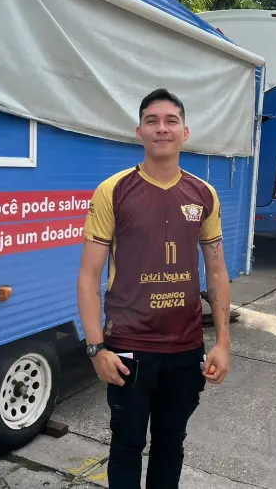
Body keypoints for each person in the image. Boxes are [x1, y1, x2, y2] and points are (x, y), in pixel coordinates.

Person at [77, 88, 232, 489]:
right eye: (152, 121)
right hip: (129, 347)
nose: (162, 128)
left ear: (185, 132)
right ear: (139, 132)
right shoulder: (113, 190)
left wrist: (223, 342)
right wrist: (96, 348)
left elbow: (216, 271)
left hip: (185, 349)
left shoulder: (204, 194)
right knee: (126, 446)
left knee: (171, 443)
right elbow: (89, 275)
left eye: (171, 121)